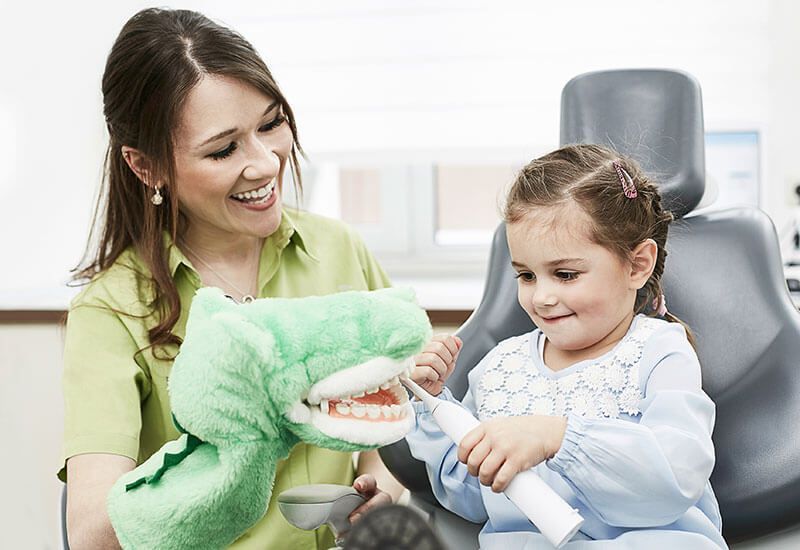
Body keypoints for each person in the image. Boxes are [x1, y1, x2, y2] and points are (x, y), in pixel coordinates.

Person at [59, 8, 461, 549]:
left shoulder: (337, 249)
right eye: (223, 149)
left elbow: (386, 424)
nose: (267, 163)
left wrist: (381, 491)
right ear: (146, 166)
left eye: (270, 124)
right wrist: (250, 428)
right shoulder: (111, 312)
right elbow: (93, 534)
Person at [406, 144, 727, 549]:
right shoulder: (500, 367)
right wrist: (434, 405)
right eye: (526, 276)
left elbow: (673, 478)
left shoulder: (659, 352)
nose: (541, 298)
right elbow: (471, 498)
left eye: (565, 274)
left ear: (637, 265)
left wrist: (558, 437)